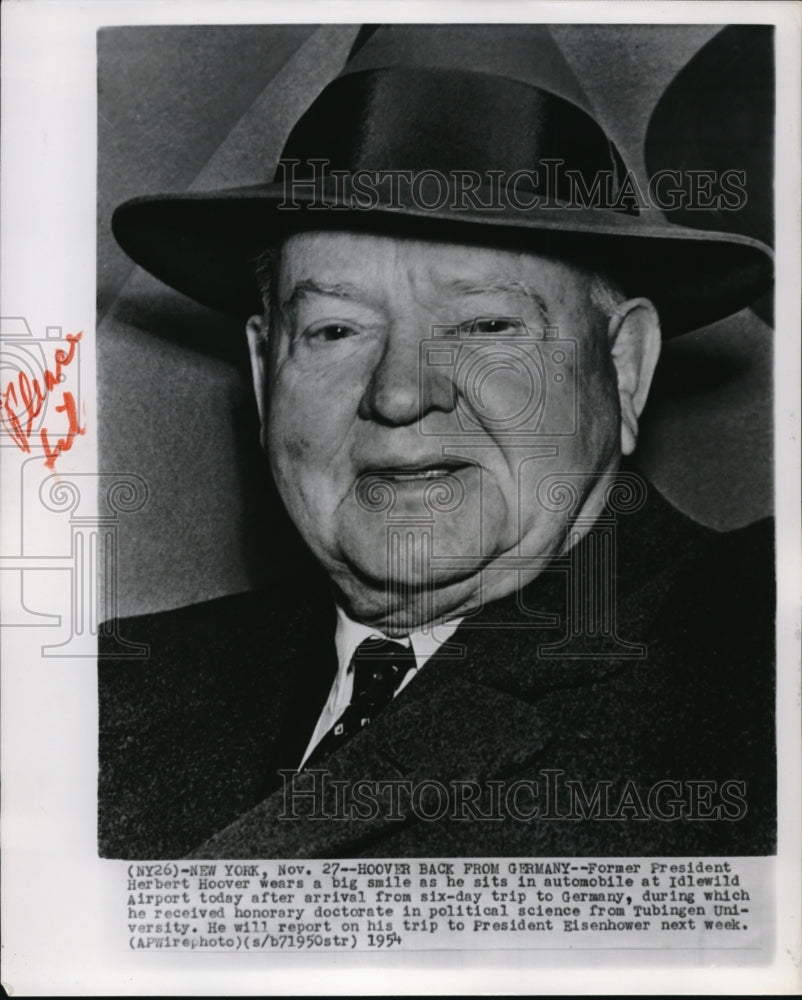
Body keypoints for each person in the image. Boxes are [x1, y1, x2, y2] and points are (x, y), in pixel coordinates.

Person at [98, 25, 775, 860]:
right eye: (336, 329)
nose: (399, 393)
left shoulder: (760, 658)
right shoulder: (101, 693)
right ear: (263, 368)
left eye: (485, 325)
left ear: (623, 368)